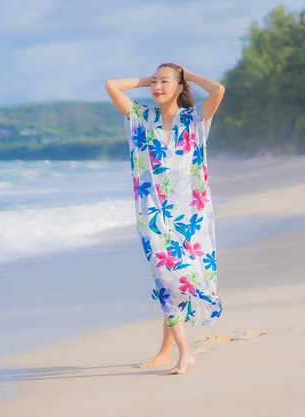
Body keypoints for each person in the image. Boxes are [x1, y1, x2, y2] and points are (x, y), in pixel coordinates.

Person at [104, 63, 226, 375]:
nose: (156, 86)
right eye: (154, 82)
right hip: (154, 214)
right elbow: (111, 85)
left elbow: (219, 90)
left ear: (179, 84)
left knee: (178, 281)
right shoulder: (141, 117)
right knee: (165, 276)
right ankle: (184, 352)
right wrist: (148, 80)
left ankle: (166, 350)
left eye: (164, 81)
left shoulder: (194, 118)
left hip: (191, 215)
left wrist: (189, 76)